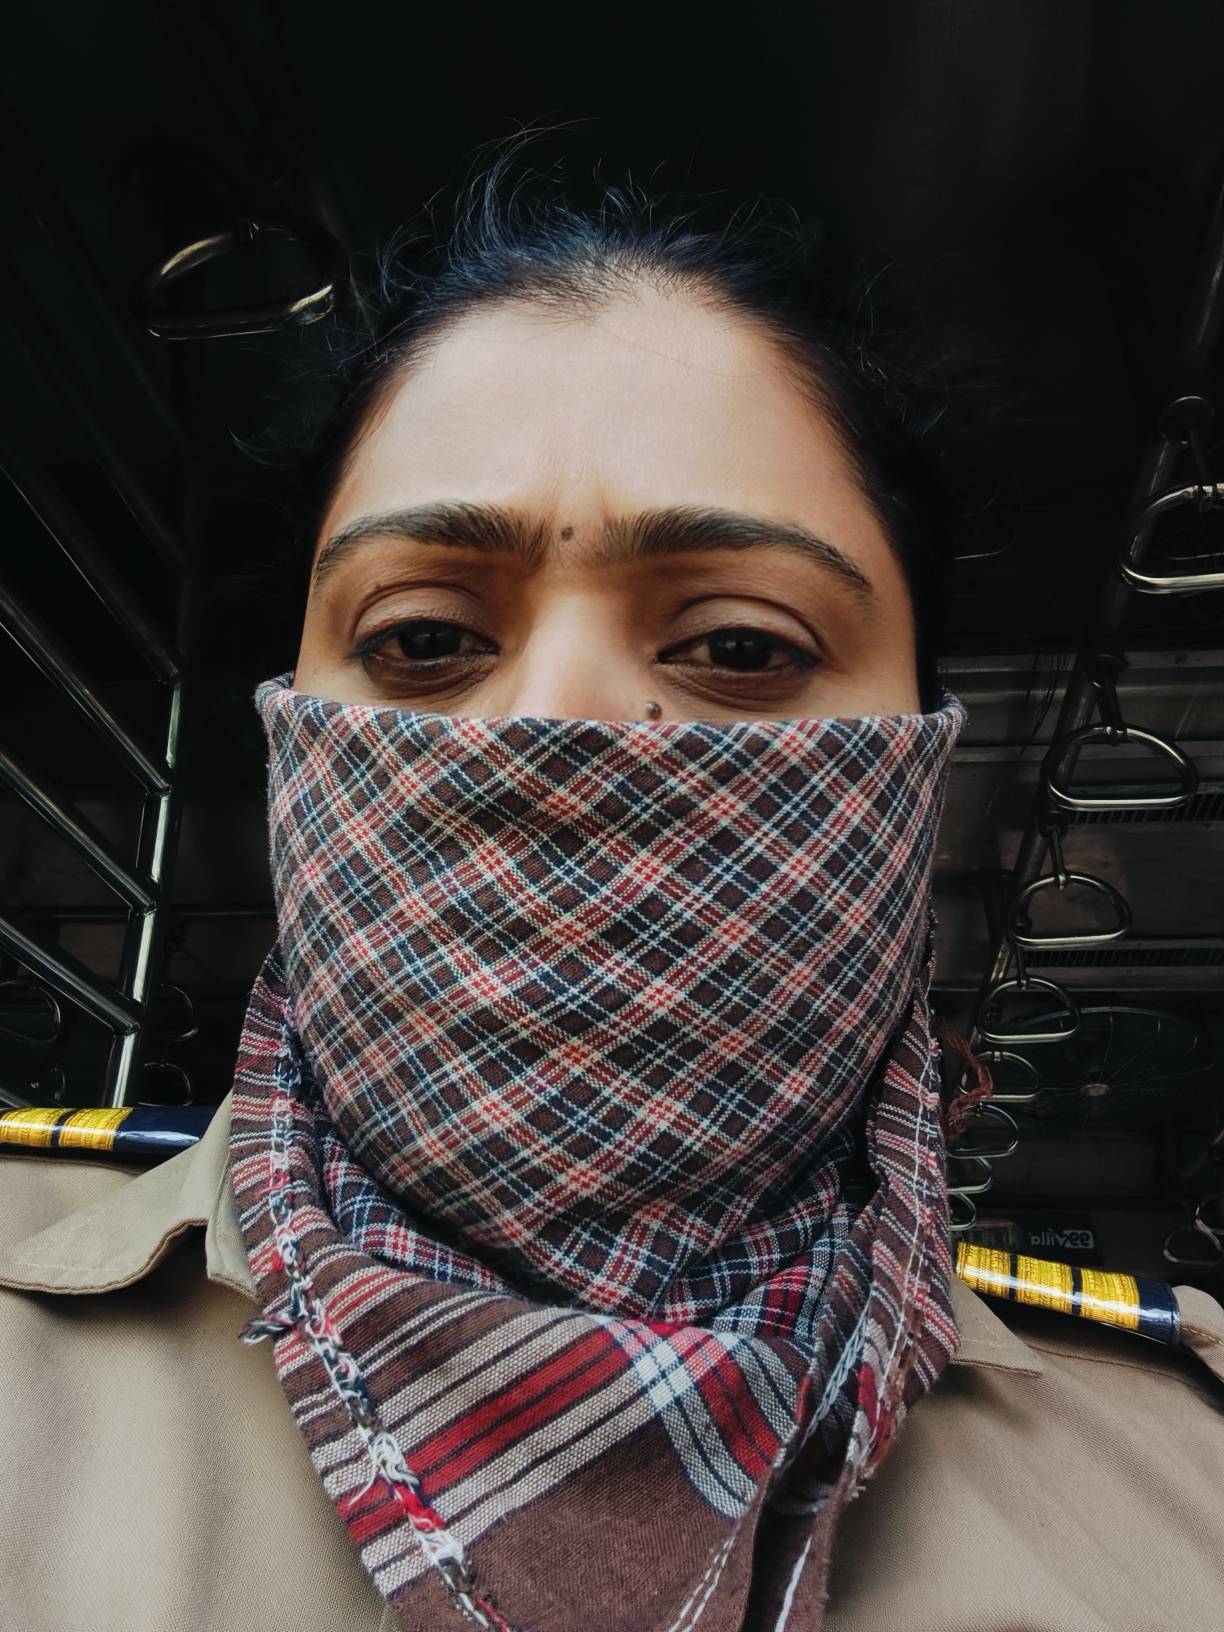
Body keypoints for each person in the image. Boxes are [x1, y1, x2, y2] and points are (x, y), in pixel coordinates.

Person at [2, 135, 1223, 1632]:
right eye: (422, 639)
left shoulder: (1190, 1484)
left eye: (742, 646)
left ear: (922, 776)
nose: (549, 728)